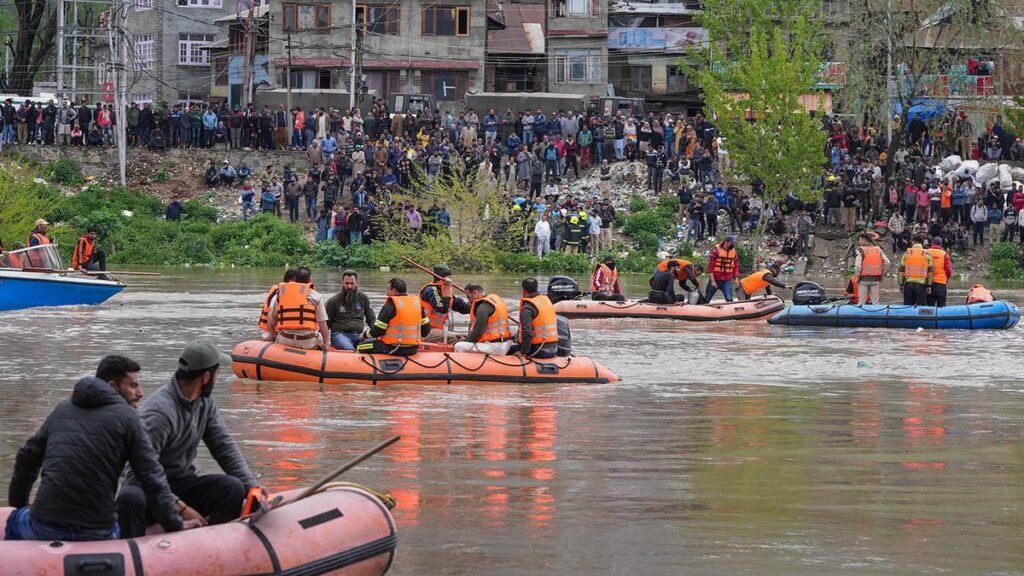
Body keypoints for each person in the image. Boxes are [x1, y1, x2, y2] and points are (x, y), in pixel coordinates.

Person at [6, 356, 192, 541]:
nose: (141, 393)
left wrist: (19, 505)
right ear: (112, 386)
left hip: (44, 525)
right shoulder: (129, 418)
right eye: (133, 385)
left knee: (14, 520)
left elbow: (27, 456)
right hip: (97, 531)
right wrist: (174, 525)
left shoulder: (62, 409)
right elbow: (152, 477)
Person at [117, 341, 258, 538]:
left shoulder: (204, 402)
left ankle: (213, 545)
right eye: (217, 374)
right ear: (206, 377)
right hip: (150, 489)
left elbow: (223, 446)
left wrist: (251, 486)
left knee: (232, 487)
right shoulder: (160, 414)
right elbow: (137, 473)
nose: (217, 379)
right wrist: (180, 509)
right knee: (130, 497)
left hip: (181, 482)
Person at [357, 277, 431, 356]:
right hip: (413, 348)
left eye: (388, 289)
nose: (386, 293)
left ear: (394, 291)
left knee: (359, 346)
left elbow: (377, 330)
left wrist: (363, 335)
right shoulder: (417, 305)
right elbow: (426, 330)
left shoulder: (390, 306)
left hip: (392, 348)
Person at [264, 266, 330, 350]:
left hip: (285, 340)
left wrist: (271, 335)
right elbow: (322, 323)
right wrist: (326, 343)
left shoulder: (281, 294)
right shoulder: (315, 296)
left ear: (295, 279)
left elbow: (271, 317)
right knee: (320, 336)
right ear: (310, 280)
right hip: (307, 341)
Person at [454, 284, 513, 355]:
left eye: (469, 297)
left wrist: (466, 341)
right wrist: (467, 337)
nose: (469, 301)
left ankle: (467, 364)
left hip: (495, 346)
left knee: (459, 346)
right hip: (505, 343)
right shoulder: (494, 299)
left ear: (475, 293)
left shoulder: (483, 307)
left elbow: (478, 331)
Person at [325, 269, 375, 350]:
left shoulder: (363, 298)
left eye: (352, 283)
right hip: (340, 335)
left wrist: (376, 335)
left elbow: (371, 319)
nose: (349, 286)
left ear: (356, 282)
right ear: (342, 282)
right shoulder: (333, 301)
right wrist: (323, 340)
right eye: (347, 283)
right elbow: (326, 323)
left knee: (376, 345)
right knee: (349, 349)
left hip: (360, 335)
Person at [419, 263, 471, 343]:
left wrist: (476, 302)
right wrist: (447, 288)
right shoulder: (431, 290)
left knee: (464, 336)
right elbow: (442, 308)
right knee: (458, 339)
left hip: (436, 330)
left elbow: (463, 308)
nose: (450, 279)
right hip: (425, 331)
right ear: (443, 278)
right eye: (449, 277)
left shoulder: (445, 290)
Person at [510, 278, 558, 359]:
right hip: (554, 348)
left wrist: (523, 352)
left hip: (539, 350)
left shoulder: (527, 308)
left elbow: (527, 332)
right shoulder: (546, 301)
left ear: (524, 291)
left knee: (508, 350)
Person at [852, 233, 889, 306]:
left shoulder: (860, 250)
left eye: (860, 240)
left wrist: (857, 277)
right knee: (875, 302)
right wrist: (882, 274)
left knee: (861, 302)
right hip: (876, 279)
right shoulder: (878, 249)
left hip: (863, 280)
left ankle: (861, 314)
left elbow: (858, 266)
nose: (859, 242)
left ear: (863, 240)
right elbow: (887, 263)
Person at [258, 269, 296, 339]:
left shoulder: (297, 295)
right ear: (292, 281)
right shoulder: (278, 295)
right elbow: (271, 316)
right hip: (272, 331)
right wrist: (272, 334)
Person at [704, 235, 740, 302]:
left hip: (726, 280)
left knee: (729, 299)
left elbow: (736, 266)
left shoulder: (734, 252)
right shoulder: (716, 251)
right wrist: (712, 281)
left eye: (733, 243)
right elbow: (710, 267)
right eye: (731, 243)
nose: (733, 244)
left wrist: (736, 279)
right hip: (715, 279)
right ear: (726, 242)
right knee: (707, 299)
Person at [898, 240, 934, 306]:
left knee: (907, 306)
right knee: (921, 307)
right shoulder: (927, 255)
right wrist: (929, 285)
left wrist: (901, 284)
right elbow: (930, 272)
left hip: (908, 284)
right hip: (921, 284)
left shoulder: (906, 254)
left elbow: (901, 271)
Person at [927, 236, 953, 307]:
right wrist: (946, 279)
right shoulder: (944, 254)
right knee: (941, 306)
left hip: (929, 283)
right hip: (941, 283)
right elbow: (948, 270)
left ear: (932, 243)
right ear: (941, 244)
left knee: (929, 307)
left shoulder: (926, 252)